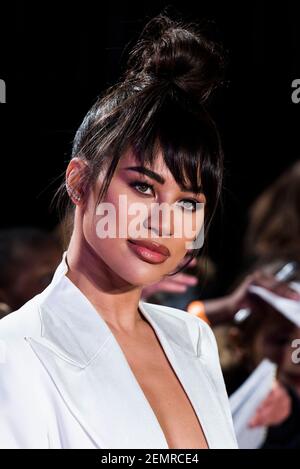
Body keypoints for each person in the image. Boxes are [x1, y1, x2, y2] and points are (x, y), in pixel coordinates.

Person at [0, 14, 237, 449]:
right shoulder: (14, 353)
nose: (164, 222)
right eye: (144, 187)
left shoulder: (194, 341)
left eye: (188, 202)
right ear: (79, 182)